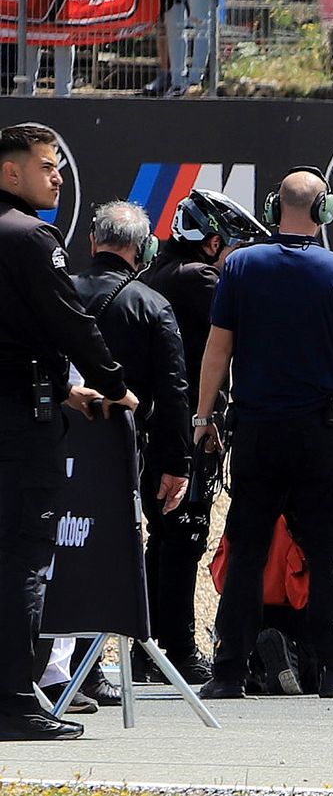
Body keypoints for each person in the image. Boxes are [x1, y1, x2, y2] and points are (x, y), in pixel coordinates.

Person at [193, 167, 333, 700]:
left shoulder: (241, 265)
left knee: (246, 550)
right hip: (320, 433)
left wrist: (204, 418)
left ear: (275, 209)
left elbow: (217, 349)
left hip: (256, 431)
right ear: (325, 212)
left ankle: (228, 672)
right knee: (328, 553)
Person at [0, 124, 139, 739]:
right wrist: (114, 385)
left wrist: (60, 389)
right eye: (46, 166)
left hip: (24, 401)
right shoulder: (31, 237)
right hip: (21, 430)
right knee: (23, 560)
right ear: (11, 173)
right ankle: (13, 701)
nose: (58, 177)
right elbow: (69, 321)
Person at [132, 189, 270, 686]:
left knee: (163, 539)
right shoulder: (200, 279)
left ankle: (148, 650)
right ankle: (179, 650)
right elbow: (249, 332)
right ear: (213, 244)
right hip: (186, 428)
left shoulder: (157, 272)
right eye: (236, 250)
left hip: (154, 427)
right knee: (184, 539)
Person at [66, 201, 191, 705]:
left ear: (93, 241)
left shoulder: (60, 292)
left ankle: (44, 663)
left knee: (55, 547)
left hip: (55, 440)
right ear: (143, 250)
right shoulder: (151, 305)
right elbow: (175, 392)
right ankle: (86, 667)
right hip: (120, 448)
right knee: (109, 552)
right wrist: (176, 464)